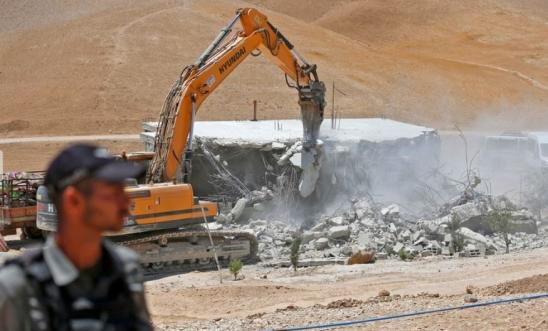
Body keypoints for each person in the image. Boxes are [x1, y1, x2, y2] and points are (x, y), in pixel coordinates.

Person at [0, 144, 153, 331]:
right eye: (113, 193)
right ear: (73, 200)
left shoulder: (126, 269)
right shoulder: (17, 287)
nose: (126, 201)